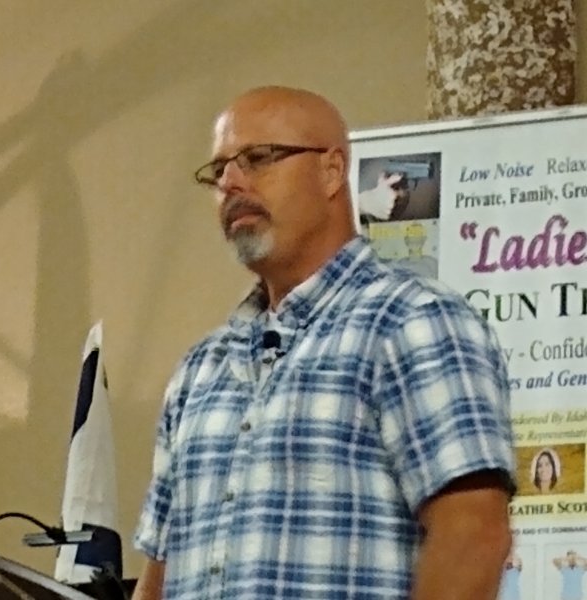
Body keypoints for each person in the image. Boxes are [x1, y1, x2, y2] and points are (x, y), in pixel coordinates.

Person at [132, 86, 515, 600]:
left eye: (258, 158)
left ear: (332, 171)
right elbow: (158, 573)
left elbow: (472, 535)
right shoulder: (200, 368)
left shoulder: (412, 320)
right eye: (217, 170)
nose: (231, 182)